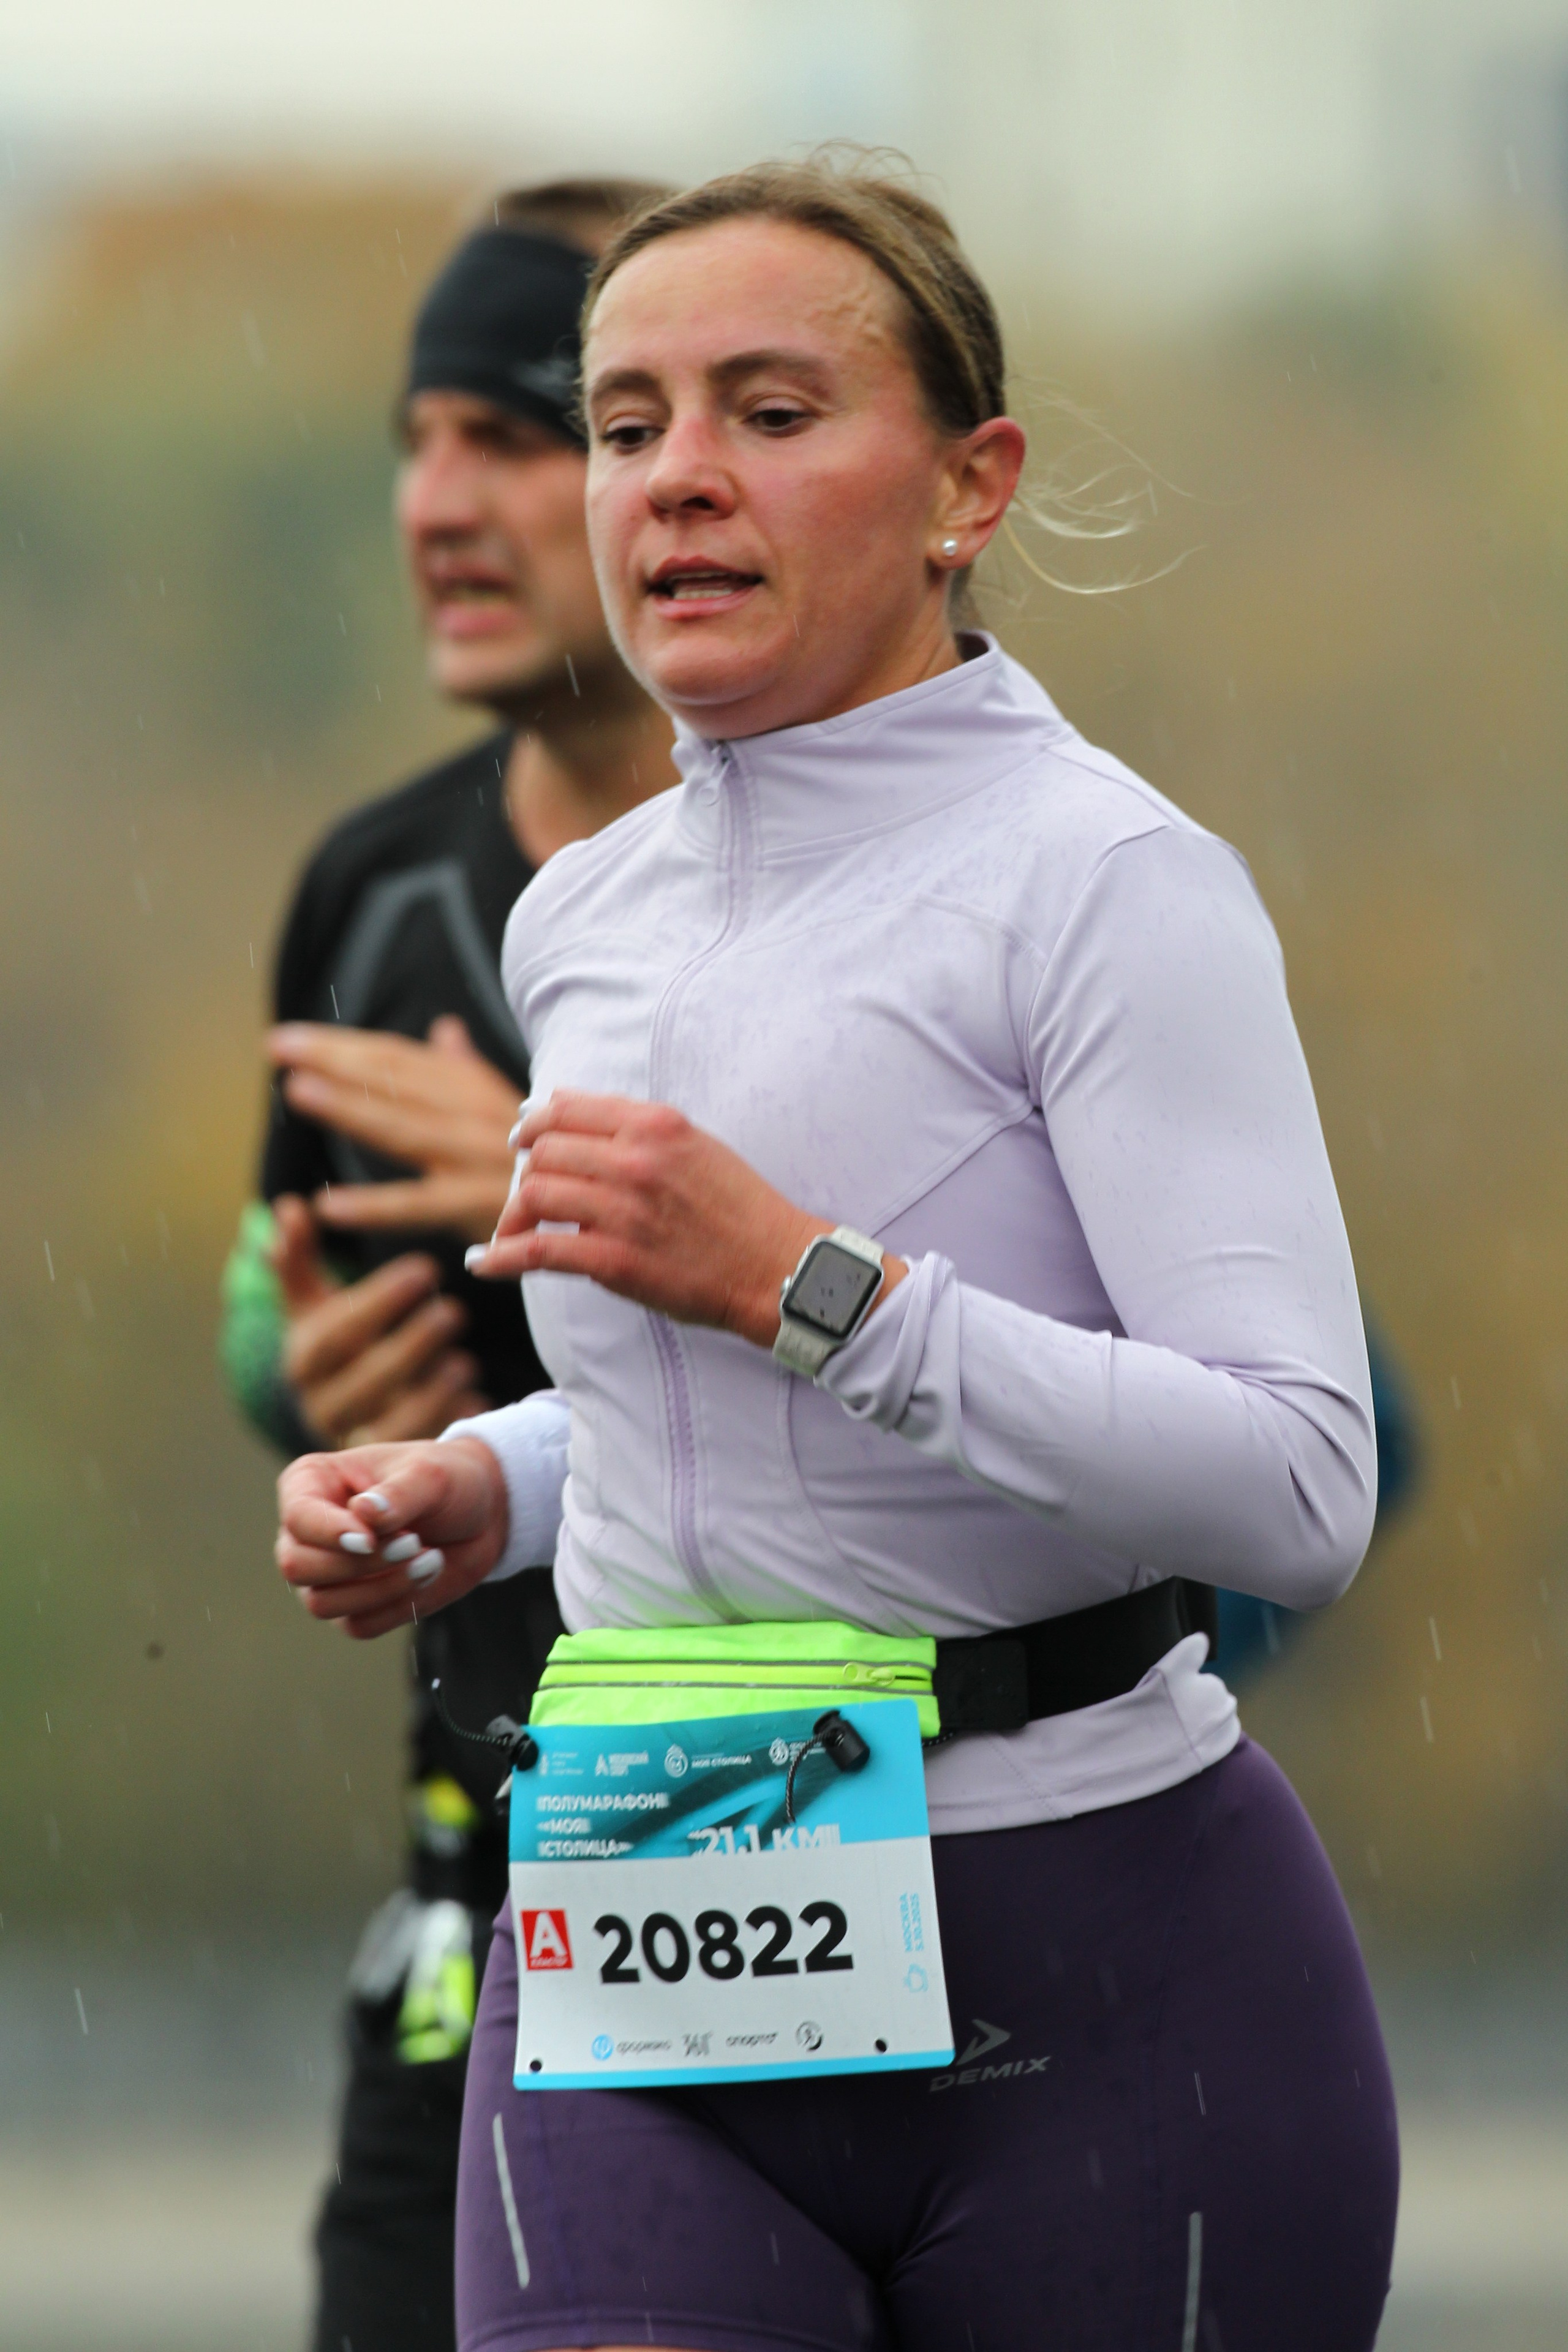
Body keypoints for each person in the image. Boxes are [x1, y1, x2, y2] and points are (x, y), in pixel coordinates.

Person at [276, 156, 1400, 2352]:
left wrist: (810, 1280)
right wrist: (486, 1489)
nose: (678, 479)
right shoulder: (578, 917)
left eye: (772, 414)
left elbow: (1299, 1487)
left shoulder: (1110, 884)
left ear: (970, 485)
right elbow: (699, 1424)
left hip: (1103, 1973)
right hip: (651, 1886)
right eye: (625, 425)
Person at [221, 177, 673, 2352]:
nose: (437, 503)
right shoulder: (376, 894)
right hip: (477, 1907)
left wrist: (544, 1167)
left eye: (507, 432)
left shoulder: (917, 877)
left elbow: (1302, 1448)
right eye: (415, 440)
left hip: (847, 1880)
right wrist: (313, 1405)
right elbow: (287, 1324)